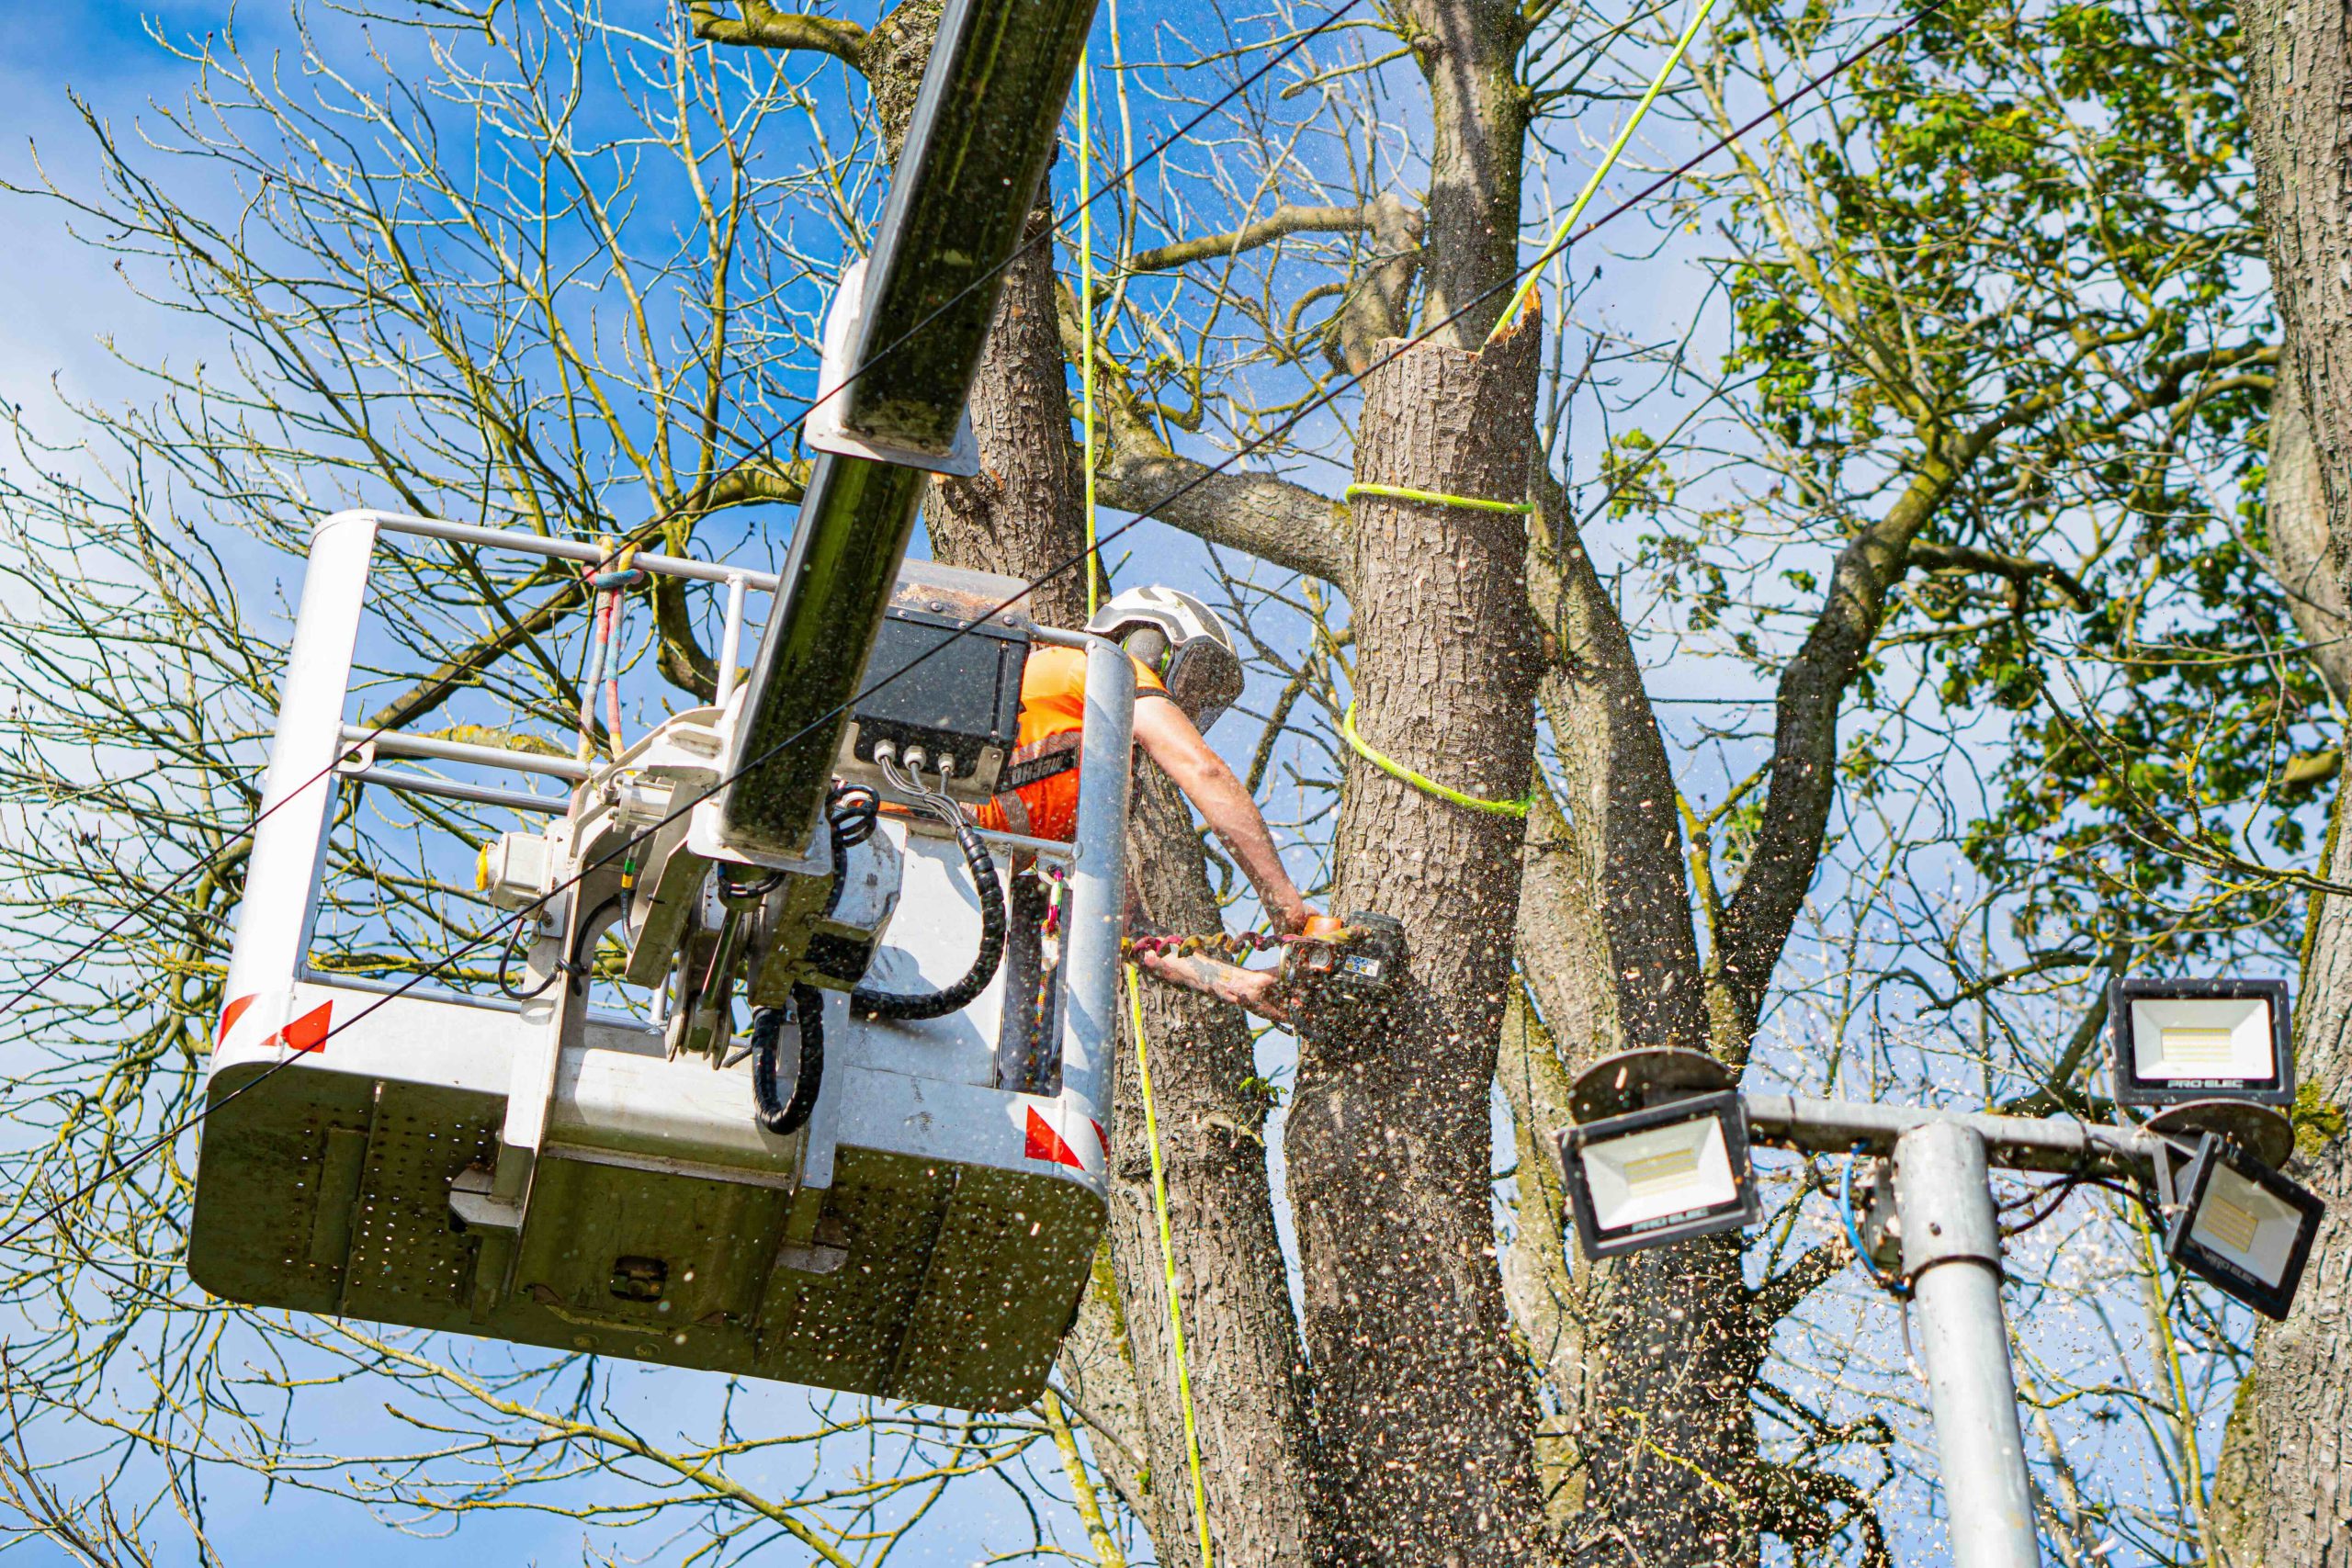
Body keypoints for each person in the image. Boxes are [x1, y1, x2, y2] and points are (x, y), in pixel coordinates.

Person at [973, 586, 1307, 1019]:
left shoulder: (1092, 769)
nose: (1186, 701)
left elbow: (1124, 929)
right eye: (1193, 678)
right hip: (924, 833)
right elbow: (1204, 772)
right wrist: (1283, 902)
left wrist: (1238, 984)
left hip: (958, 872)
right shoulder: (1100, 667)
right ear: (1148, 642)